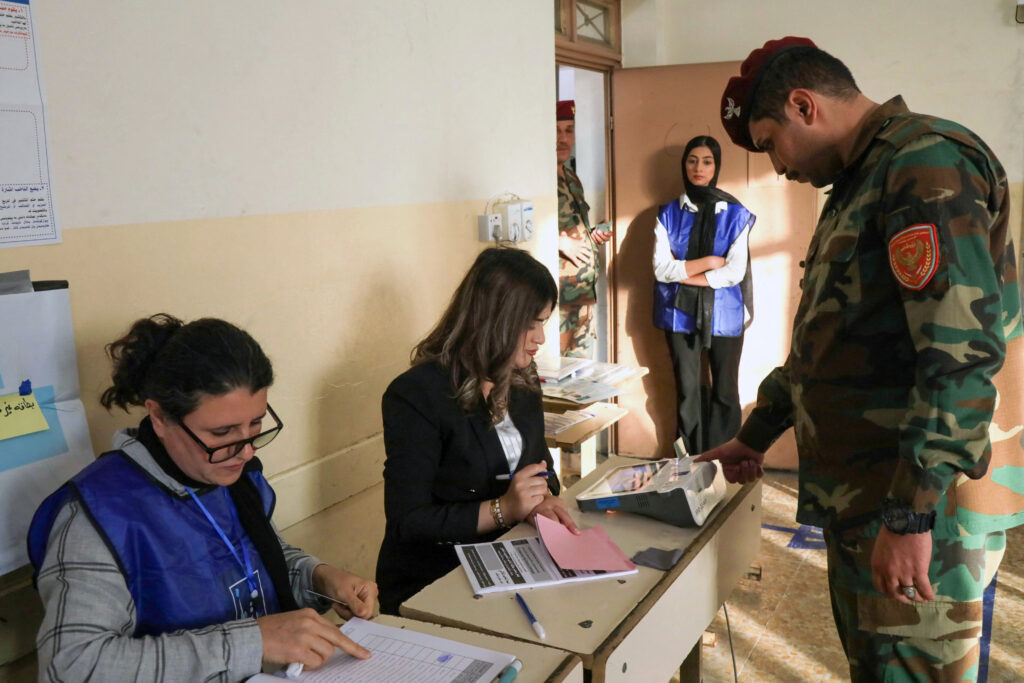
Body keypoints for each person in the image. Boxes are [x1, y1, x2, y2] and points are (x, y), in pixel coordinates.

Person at [698, 37, 1024, 681]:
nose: (777, 166)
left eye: (769, 142)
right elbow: (824, 345)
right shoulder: (859, 183)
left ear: (803, 105)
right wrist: (755, 435)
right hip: (871, 500)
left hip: (922, 504)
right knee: (879, 667)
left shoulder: (923, 164)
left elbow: (959, 355)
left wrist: (910, 515)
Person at [28, 314, 378, 681]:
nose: (244, 452)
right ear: (160, 417)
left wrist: (319, 578)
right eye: (223, 432)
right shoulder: (97, 516)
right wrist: (251, 643)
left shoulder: (229, 475)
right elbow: (70, 667)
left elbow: (255, 567)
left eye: (256, 424)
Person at [376, 247, 579, 615]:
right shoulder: (416, 395)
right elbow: (409, 521)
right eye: (531, 324)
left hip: (511, 560)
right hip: (435, 580)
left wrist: (543, 500)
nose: (540, 339)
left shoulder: (522, 379)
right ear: (496, 320)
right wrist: (505, 509)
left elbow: (541, 466)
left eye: (543, 323)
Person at [652, 135, 755, 455]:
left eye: (707, 161)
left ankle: (724, 458)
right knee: (687, 391)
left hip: (725, 313)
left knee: (725, 391)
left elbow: (734, 274)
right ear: (684, 165)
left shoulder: (736, 214)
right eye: (692, 160)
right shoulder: (668, 213)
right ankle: (690, 460)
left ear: (716, 167)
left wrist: (686, 275)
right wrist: (709, 264)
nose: (699, 168)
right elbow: (660, 269)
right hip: (678, 313)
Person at [557, 99, 612, 358]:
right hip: (557, 299)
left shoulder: (571, 178)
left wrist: (593, 236)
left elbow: (573, 227)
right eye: (556, 131)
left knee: (580, 373)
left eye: (569, 130)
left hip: (583, 295)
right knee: (552, 373)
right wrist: (557, 242)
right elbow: (528, 232)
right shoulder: (537, 177)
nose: (563, 139)